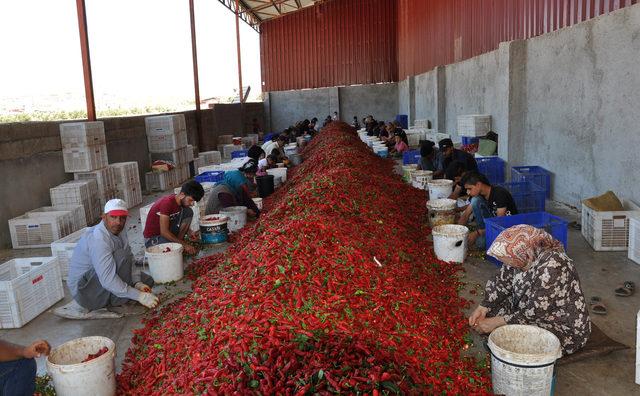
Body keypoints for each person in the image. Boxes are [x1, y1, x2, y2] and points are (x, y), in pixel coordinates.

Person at [469, 225, 591, 355]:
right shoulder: (523, 255)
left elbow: (535, 312)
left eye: (507, 259)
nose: (506, 263)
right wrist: (483, 307)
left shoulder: (554, 266)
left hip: (558, 322)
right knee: (491, 313)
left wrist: (498, 322)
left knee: (522, 339)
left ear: (522, 251)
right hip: (527, 306)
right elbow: (501, 281)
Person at [55, 199, 159, 320]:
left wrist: (137, 282)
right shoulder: (99, 239)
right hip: (86, 292)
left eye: (122, 218)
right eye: (113, 217)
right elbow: (107, 280)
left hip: (98, 281)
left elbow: (130, 257)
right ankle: (119, 303)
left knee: (147, 280)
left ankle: (121, 295)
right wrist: (140, 296)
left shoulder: (120, 230)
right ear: (104, 217)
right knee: (121, 256)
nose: (118, 222)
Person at [458, 172, 518, 249]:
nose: (468, 192)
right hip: (492, 225)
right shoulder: (479, 196)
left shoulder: (499, 194)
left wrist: (477, 233)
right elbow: (466, 214)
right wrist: (456, 232)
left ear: (479, 185)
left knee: (480, 243)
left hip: (506, 228)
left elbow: (499, 224)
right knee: (475, 200)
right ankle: (483, 232)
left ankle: (483, 233)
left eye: (469, 189)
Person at [143, 181, 204, 255]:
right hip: (154, 239)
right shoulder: (167, 203)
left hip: (165, 234)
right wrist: (184, 245)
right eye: (190, 200)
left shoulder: (180, 203)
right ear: (182, 195)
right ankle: (178, 245)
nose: (192, 204)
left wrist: (189, 232)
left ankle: (179, 243)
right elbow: (164, 232)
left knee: (189, 211)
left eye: (193, 201)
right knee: (172, 251)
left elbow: (178, 219)